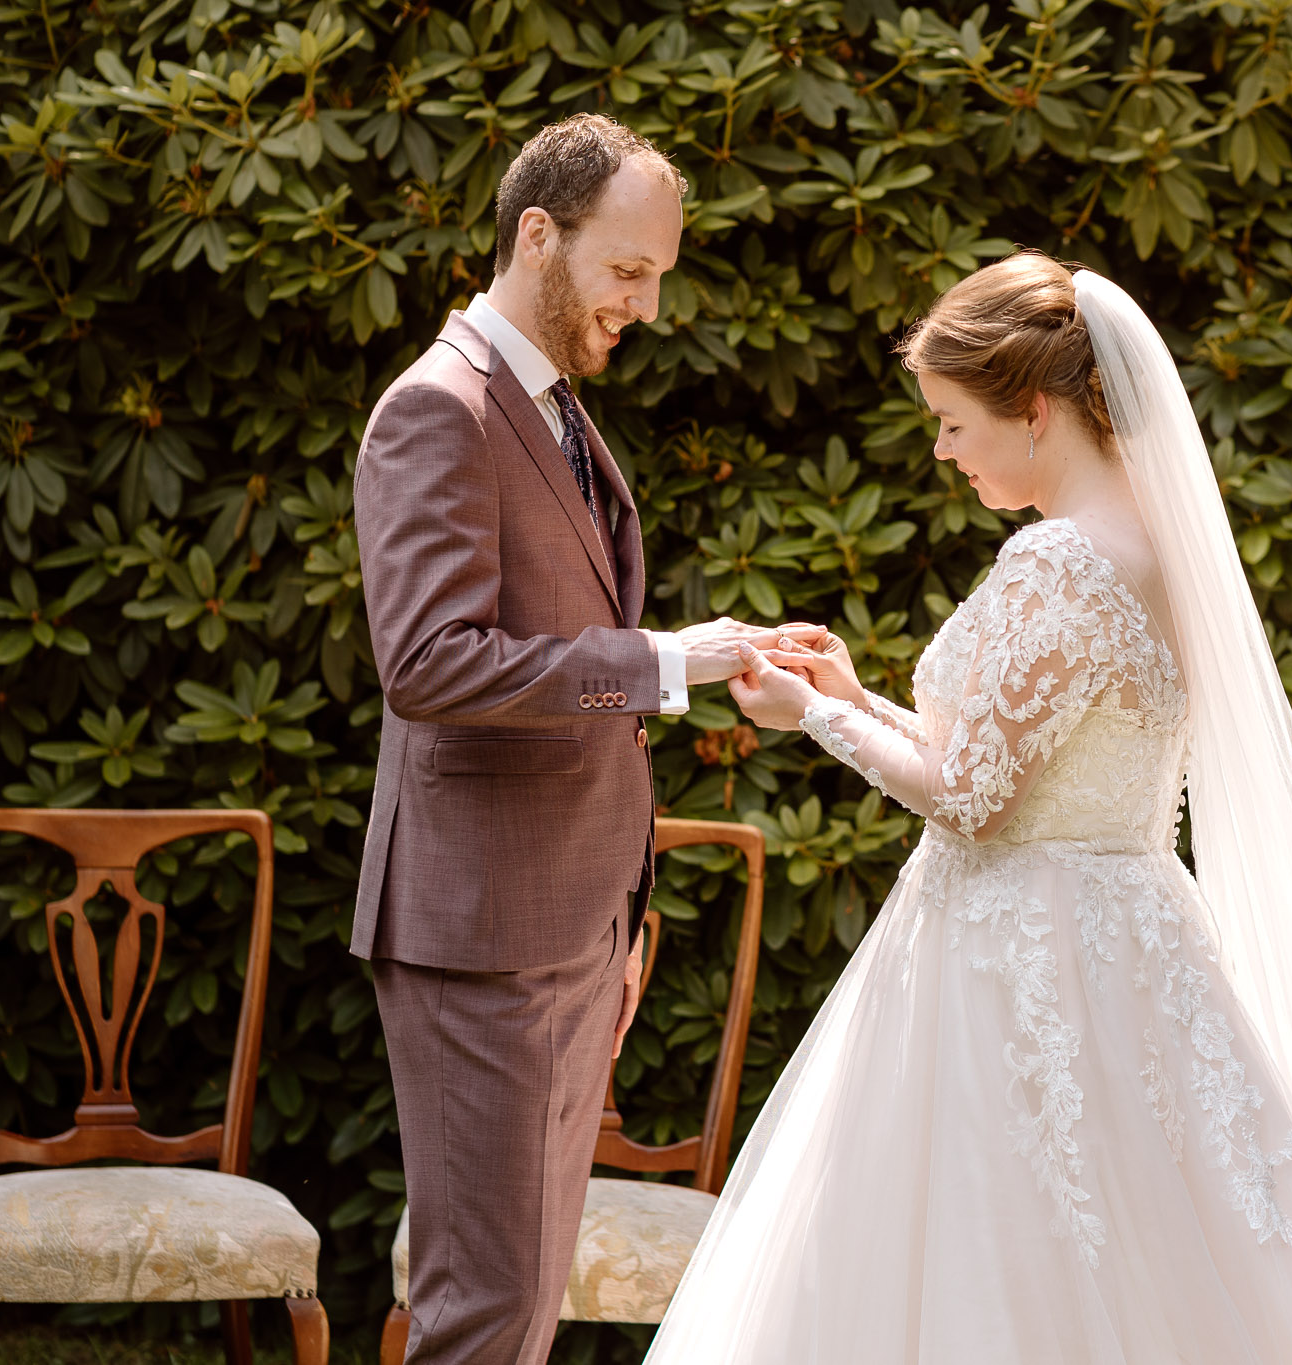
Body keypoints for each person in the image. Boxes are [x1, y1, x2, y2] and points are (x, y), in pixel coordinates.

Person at [645, 252, 1292, 1363]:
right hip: (1127, 936)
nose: (941, 451)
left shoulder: (1061, 560)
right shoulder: (1158, 544)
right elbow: (1014, 762)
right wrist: (854, 695)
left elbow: (977, 803)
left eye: (949, 422)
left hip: (1013, 956)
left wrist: (809, 721)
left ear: (1030, 410)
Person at [350, 113, 800, 1364]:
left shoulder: (547, 408)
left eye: (658, 274)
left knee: (524, 1308)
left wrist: (613, 923)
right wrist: (666, 663)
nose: (647, 307)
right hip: (485, 935)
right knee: (485, 1314)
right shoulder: (437, 409)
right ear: (536, 235)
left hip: (566, 923)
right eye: (628, 270)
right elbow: (430, 665)